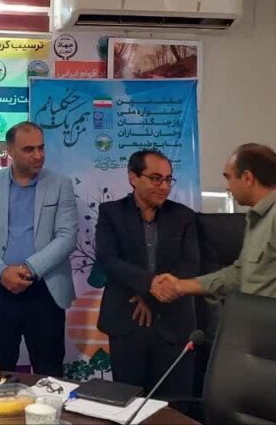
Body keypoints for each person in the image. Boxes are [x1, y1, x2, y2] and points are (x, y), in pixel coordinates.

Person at [152, 143, 276, 308]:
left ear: (247, 178)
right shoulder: (259, 218)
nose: (227, 186)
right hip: (259, 332)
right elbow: (241, 274)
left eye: (229, 177)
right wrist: (180, 286)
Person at [0, 121, 78, 377]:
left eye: (41, 148)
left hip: (45, 290)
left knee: (49, 373)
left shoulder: (60, 184)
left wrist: (29, 269)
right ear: (10, 151)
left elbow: (67, 236)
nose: (38, 155)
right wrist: (1, 271)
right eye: (29, 149)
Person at [95, 150, 199, 396]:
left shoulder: (184, 216)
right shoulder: (111, 212)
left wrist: (151, 297)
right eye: (156, 178)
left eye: (168, 179)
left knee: (172, 405)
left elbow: (190, 265)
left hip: (172, 323)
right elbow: (108, 260)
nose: (164, 186)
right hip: (126, 321)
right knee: (128, 402)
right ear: (133, 177)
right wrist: (149, 285)